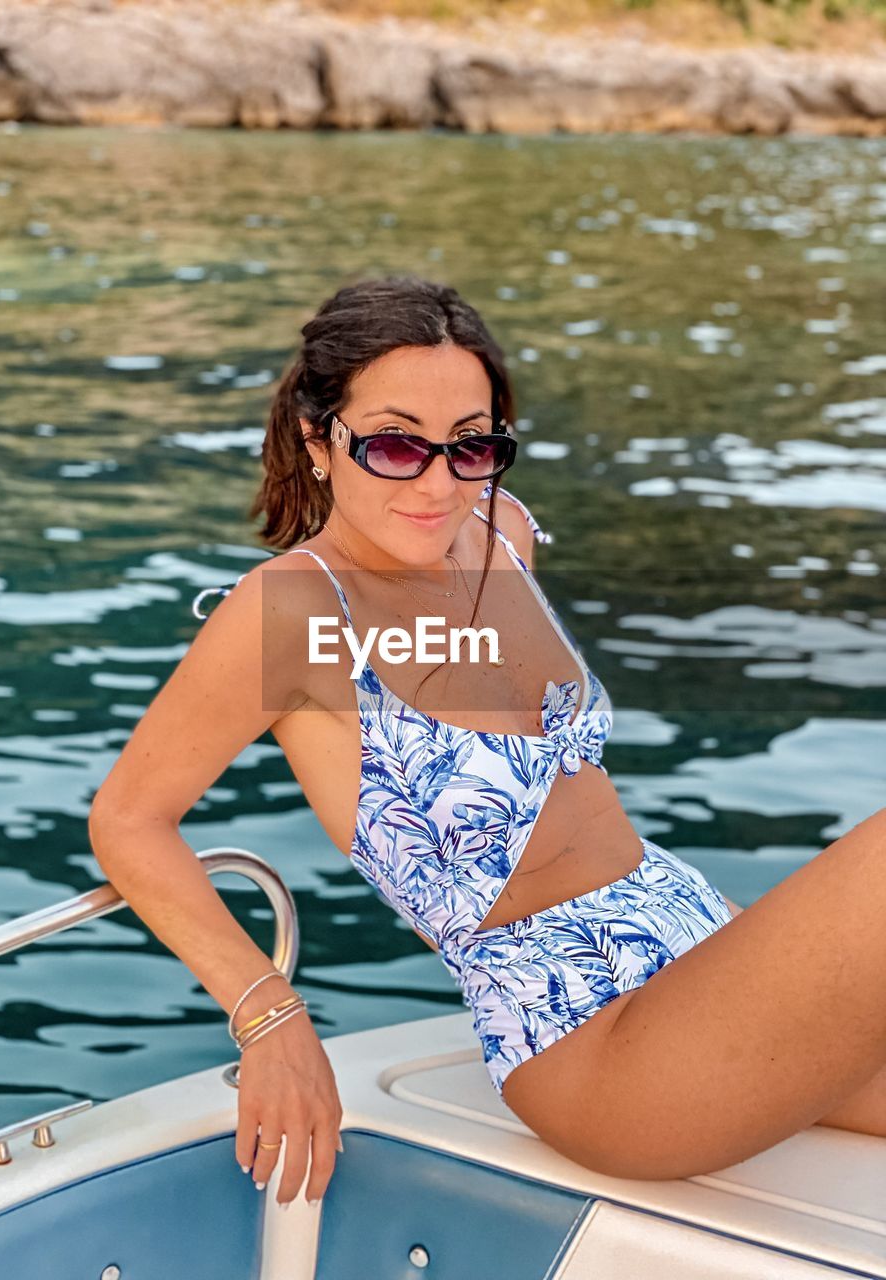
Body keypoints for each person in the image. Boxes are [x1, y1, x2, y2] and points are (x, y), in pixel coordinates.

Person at [88, 274, 886, 1209]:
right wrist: (269, 1016)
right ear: (318, 438)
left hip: (700, 950)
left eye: (472, 446)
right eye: (394, 445)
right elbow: (130, 820)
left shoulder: (498, 533)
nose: (438, 482)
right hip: (594, 1043)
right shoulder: (296, 613)